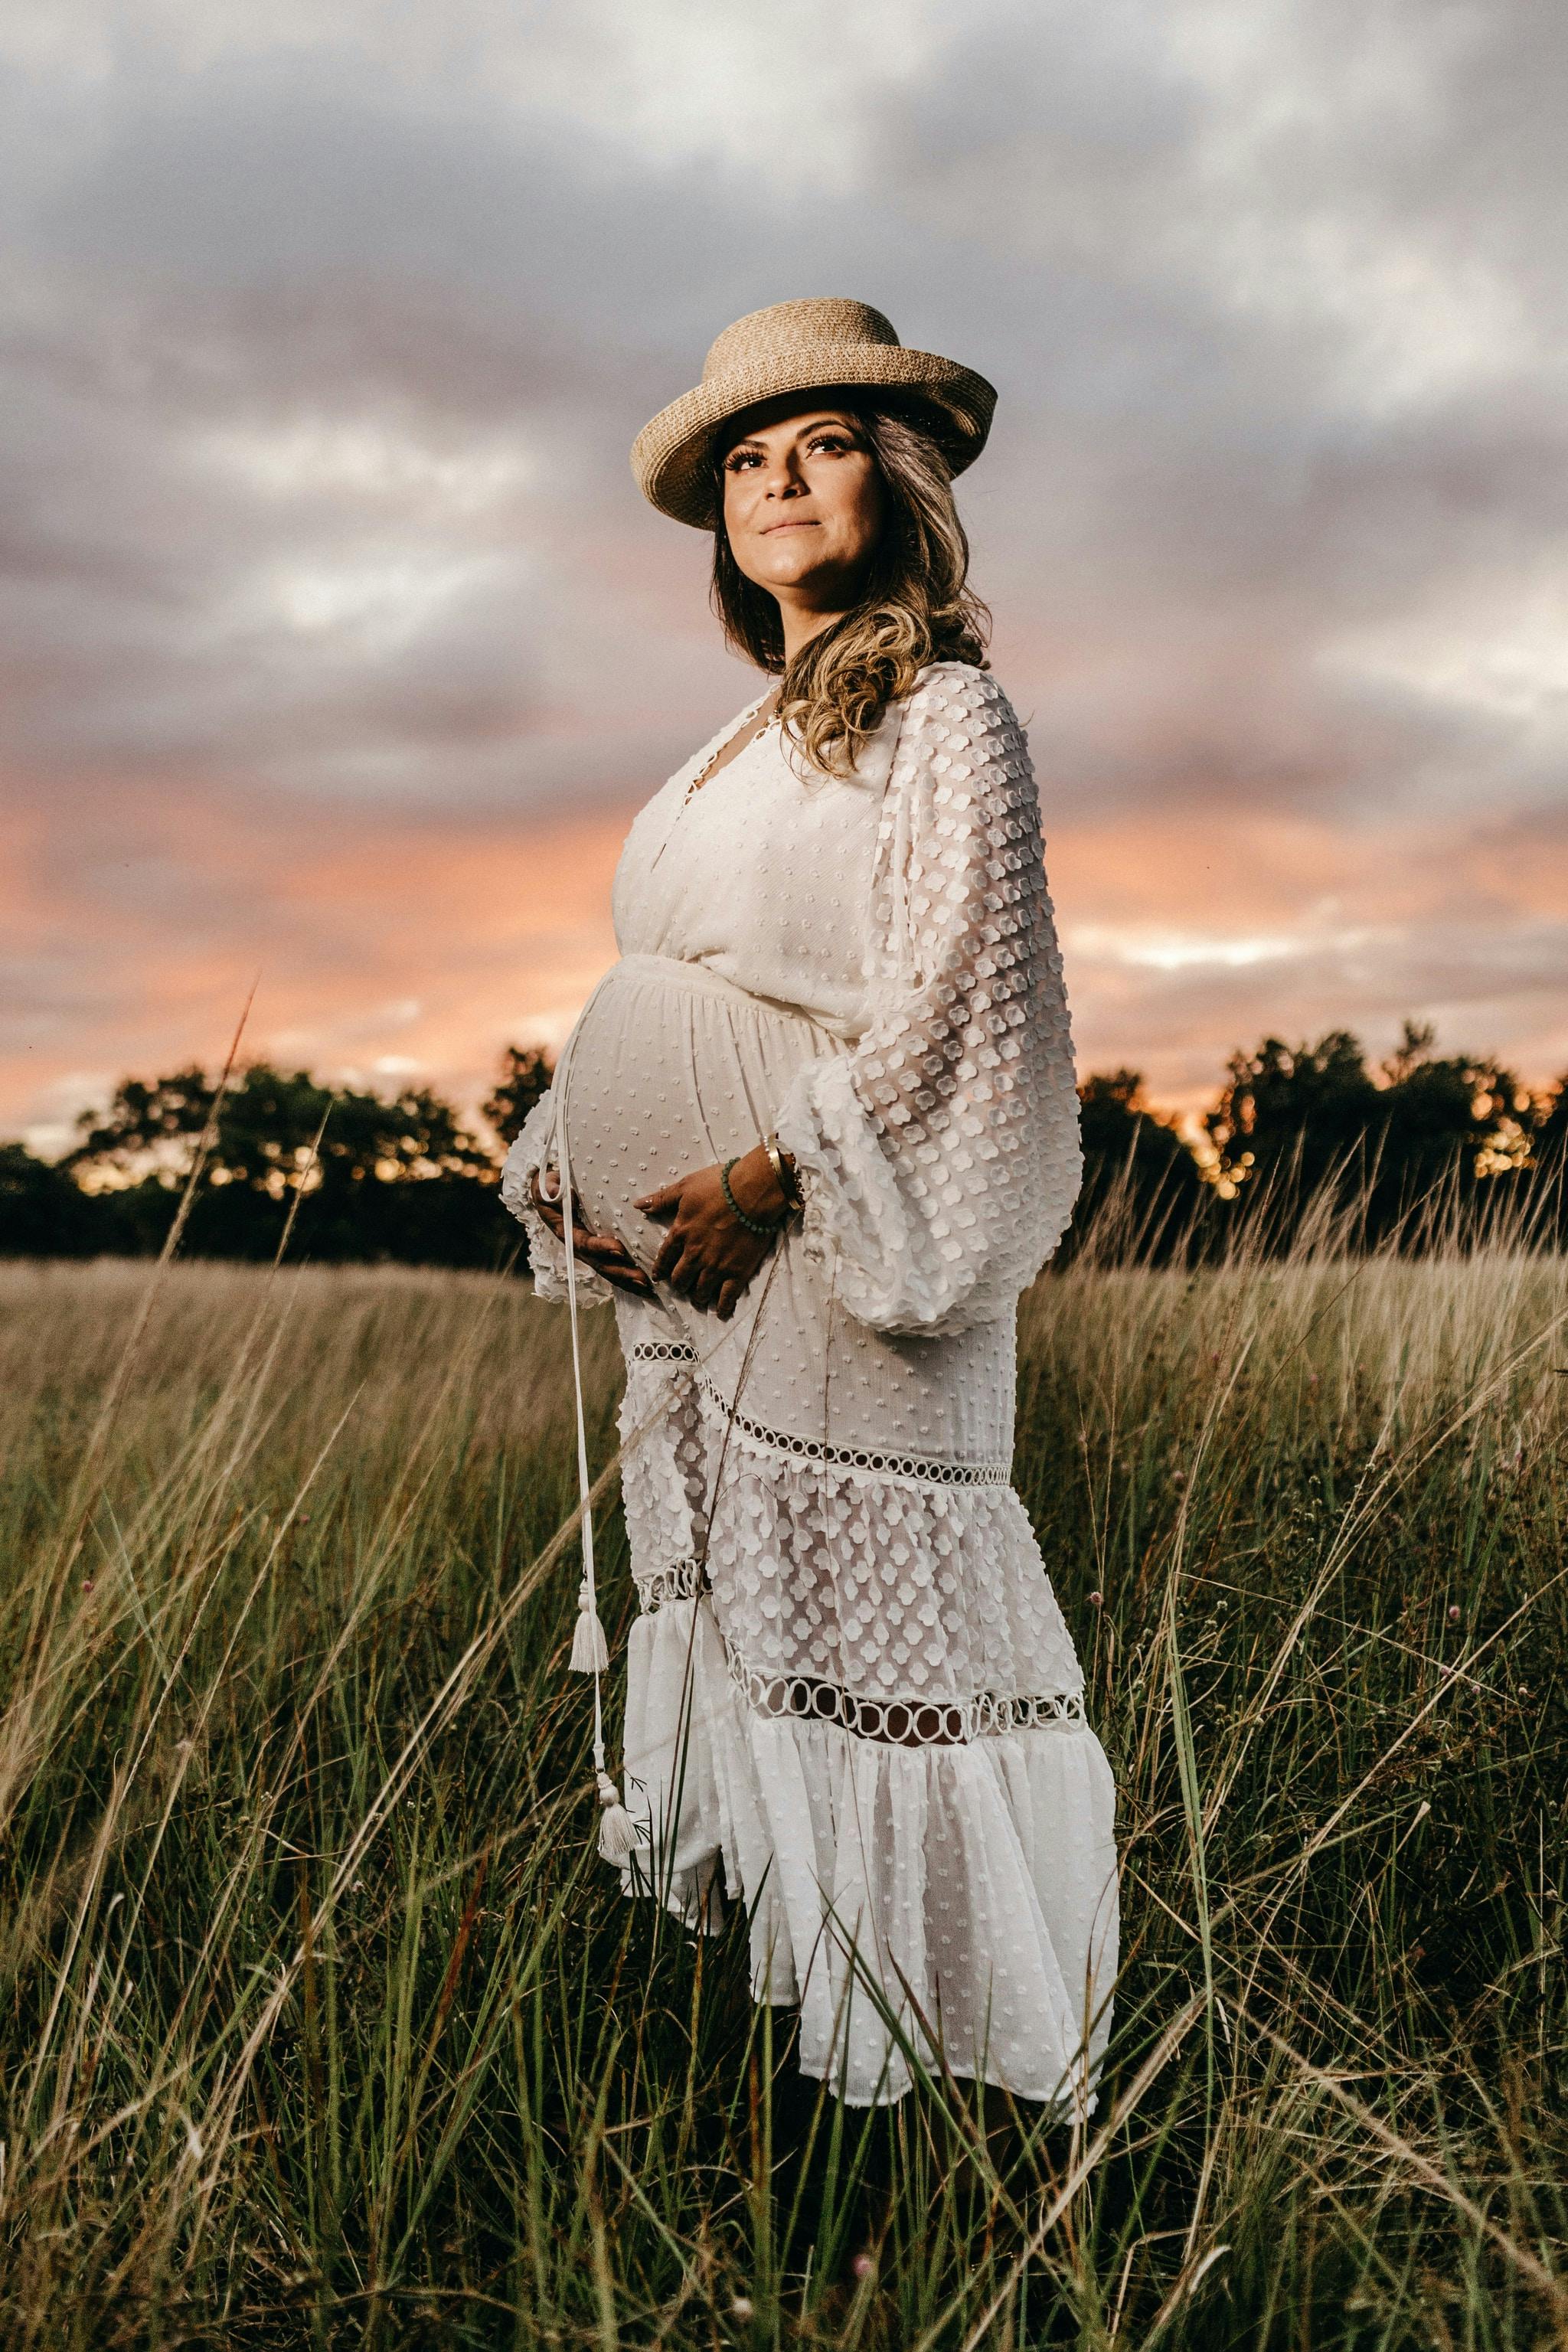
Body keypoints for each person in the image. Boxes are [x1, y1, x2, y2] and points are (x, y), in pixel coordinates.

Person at [502, 297, 1118, 2109]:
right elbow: (674, 984)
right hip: (701, 1277)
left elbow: (965, 1005)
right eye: (748, 463)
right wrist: (566, 1160)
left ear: (895, 480)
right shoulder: (734, 744)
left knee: (881, 1660)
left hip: (836, 1248)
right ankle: (803, 2064)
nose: (778, 483)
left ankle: (959, 2094)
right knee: (768, 1640)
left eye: (823, 445)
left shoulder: (948, 714)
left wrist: (766, 1176)